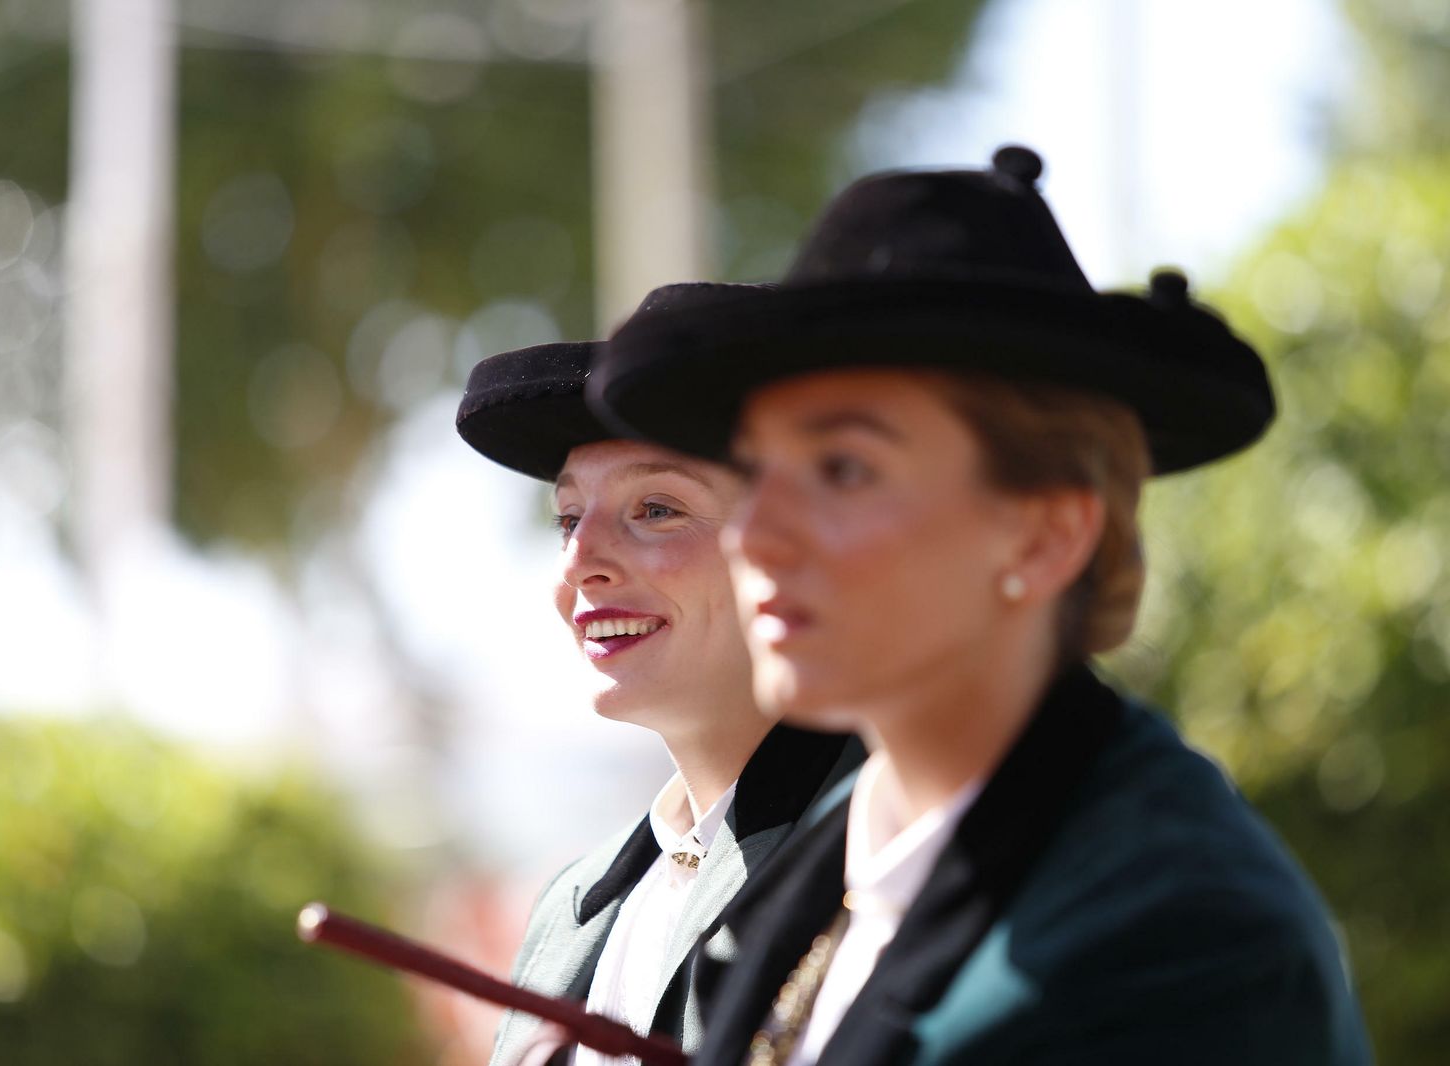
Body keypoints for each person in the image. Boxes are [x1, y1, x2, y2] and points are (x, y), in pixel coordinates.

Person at [588, 147, 1373, 1064]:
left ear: (1045, 534)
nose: (755, 536)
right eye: (756, 470)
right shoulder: (815, 876)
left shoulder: (1186, 943)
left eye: (843, 468)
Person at [457, 283, 863, 1066]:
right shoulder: (571, 906)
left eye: (656, 509)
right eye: (568, 518)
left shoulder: (890, 860)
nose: (580, 563)